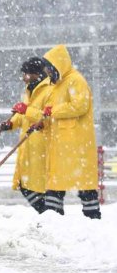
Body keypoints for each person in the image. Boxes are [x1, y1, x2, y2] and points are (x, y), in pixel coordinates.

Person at [41, 45, 101, 219]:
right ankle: (53, 218)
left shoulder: (76, 80)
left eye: (48, 67)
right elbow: (51, 111)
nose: (46, 71)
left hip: (75, 144)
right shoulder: (58, 85)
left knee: (83, 184)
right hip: (62, 146)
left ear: (56, 65)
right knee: (56, 184)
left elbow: (80, 106)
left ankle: (92, 219)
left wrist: (53, 111)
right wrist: (43, 122)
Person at [0, 57, 53, 213]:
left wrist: (26, 110)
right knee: (26, 185)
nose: (24, 78)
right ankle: (46, 214)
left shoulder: (49, 91)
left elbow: (47, 117)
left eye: (26, 74)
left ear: (36, 74)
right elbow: (23, 115)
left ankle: (47, 215)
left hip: (41, 145)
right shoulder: (30, 90)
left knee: (39, 186)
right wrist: (11, 124)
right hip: (28, 146)